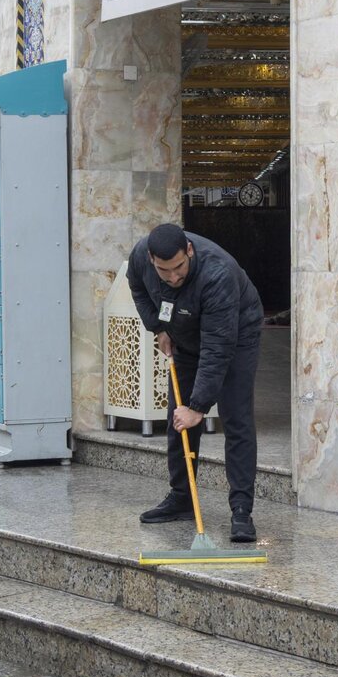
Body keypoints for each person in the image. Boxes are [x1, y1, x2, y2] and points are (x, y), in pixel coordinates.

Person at [126, 223, 263, 542]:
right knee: (178, 417)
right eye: (164, 271)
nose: (173, 277)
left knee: (236, 416)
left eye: (179, 268)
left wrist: (199, 406)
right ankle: (181, 497)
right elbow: (137, 288)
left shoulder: (218, 273)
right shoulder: (139, 258)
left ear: (189, 250)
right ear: (151, 259)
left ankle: (241, 509)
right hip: (182, 332)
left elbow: (218, 347)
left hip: (236, 333)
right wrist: (158, 327)